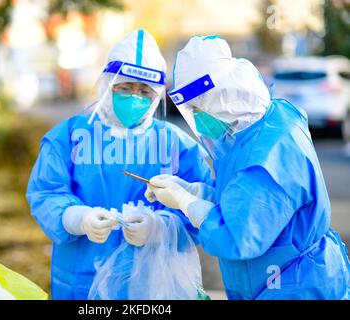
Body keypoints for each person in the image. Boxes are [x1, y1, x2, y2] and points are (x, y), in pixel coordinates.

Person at [146, 35, 350, 300]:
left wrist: (186, 202)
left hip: (295, 286)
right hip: (277, 279)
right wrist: (196, 192)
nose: (195, 116)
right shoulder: (256, 126)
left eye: (198, 107)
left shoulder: (266, 158)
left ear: (222, 96)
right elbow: (243, 203)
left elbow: (238, 236)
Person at [26, 30, 213, 299]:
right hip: (81, 279)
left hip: (151, 284)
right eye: (125, 88)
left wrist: (159, 228)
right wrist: (77, 218)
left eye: (144, 91)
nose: (134, 97)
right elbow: (45, 192)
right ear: (106, 85)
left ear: (158, 95)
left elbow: (202, 207)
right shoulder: (69, 137)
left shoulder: (179, 146)